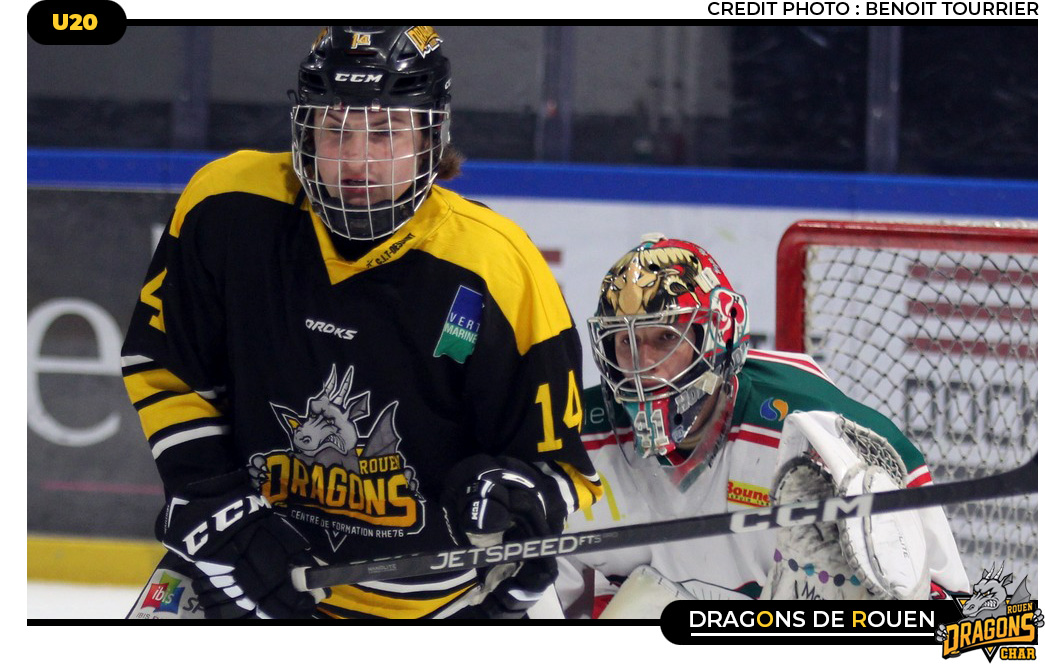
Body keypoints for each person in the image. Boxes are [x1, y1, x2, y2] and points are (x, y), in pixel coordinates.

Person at [121, 25, 601, 620]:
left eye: (386, 131)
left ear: (431, 137)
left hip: (432, 609)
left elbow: (558, 468)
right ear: (304, 131)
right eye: (334, 129)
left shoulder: (497, 266)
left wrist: (514, 496)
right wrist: (215, 511)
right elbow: (166, 367)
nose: (356, 159)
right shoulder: (226, 207)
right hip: (233, 572)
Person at [555, 234, 970, 619]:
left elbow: (946, 612)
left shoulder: (820, 438)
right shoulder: (575, 444)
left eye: (665, 338)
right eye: (626, 341)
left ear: (717, 335)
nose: (644, 366)